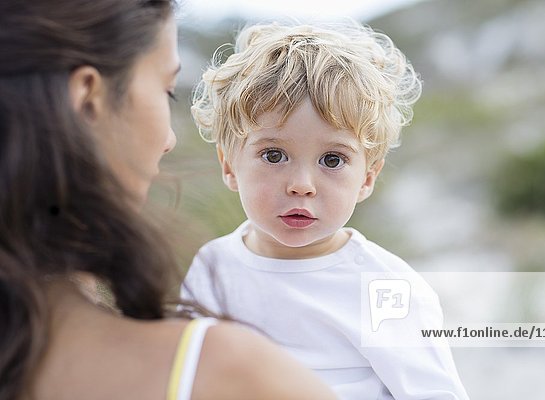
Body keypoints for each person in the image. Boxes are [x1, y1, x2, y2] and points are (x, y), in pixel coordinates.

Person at [0, 2, 338, 400]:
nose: (169, 140)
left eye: (332, 160)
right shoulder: (228, 374)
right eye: (167, 91)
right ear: (88, 99)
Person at [183, 20, 470, 399]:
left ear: (367, 177)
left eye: (332, 160)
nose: (302, 184)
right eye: (274, 155)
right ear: (229, 165)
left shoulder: (383, 288)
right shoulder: (211, 268)